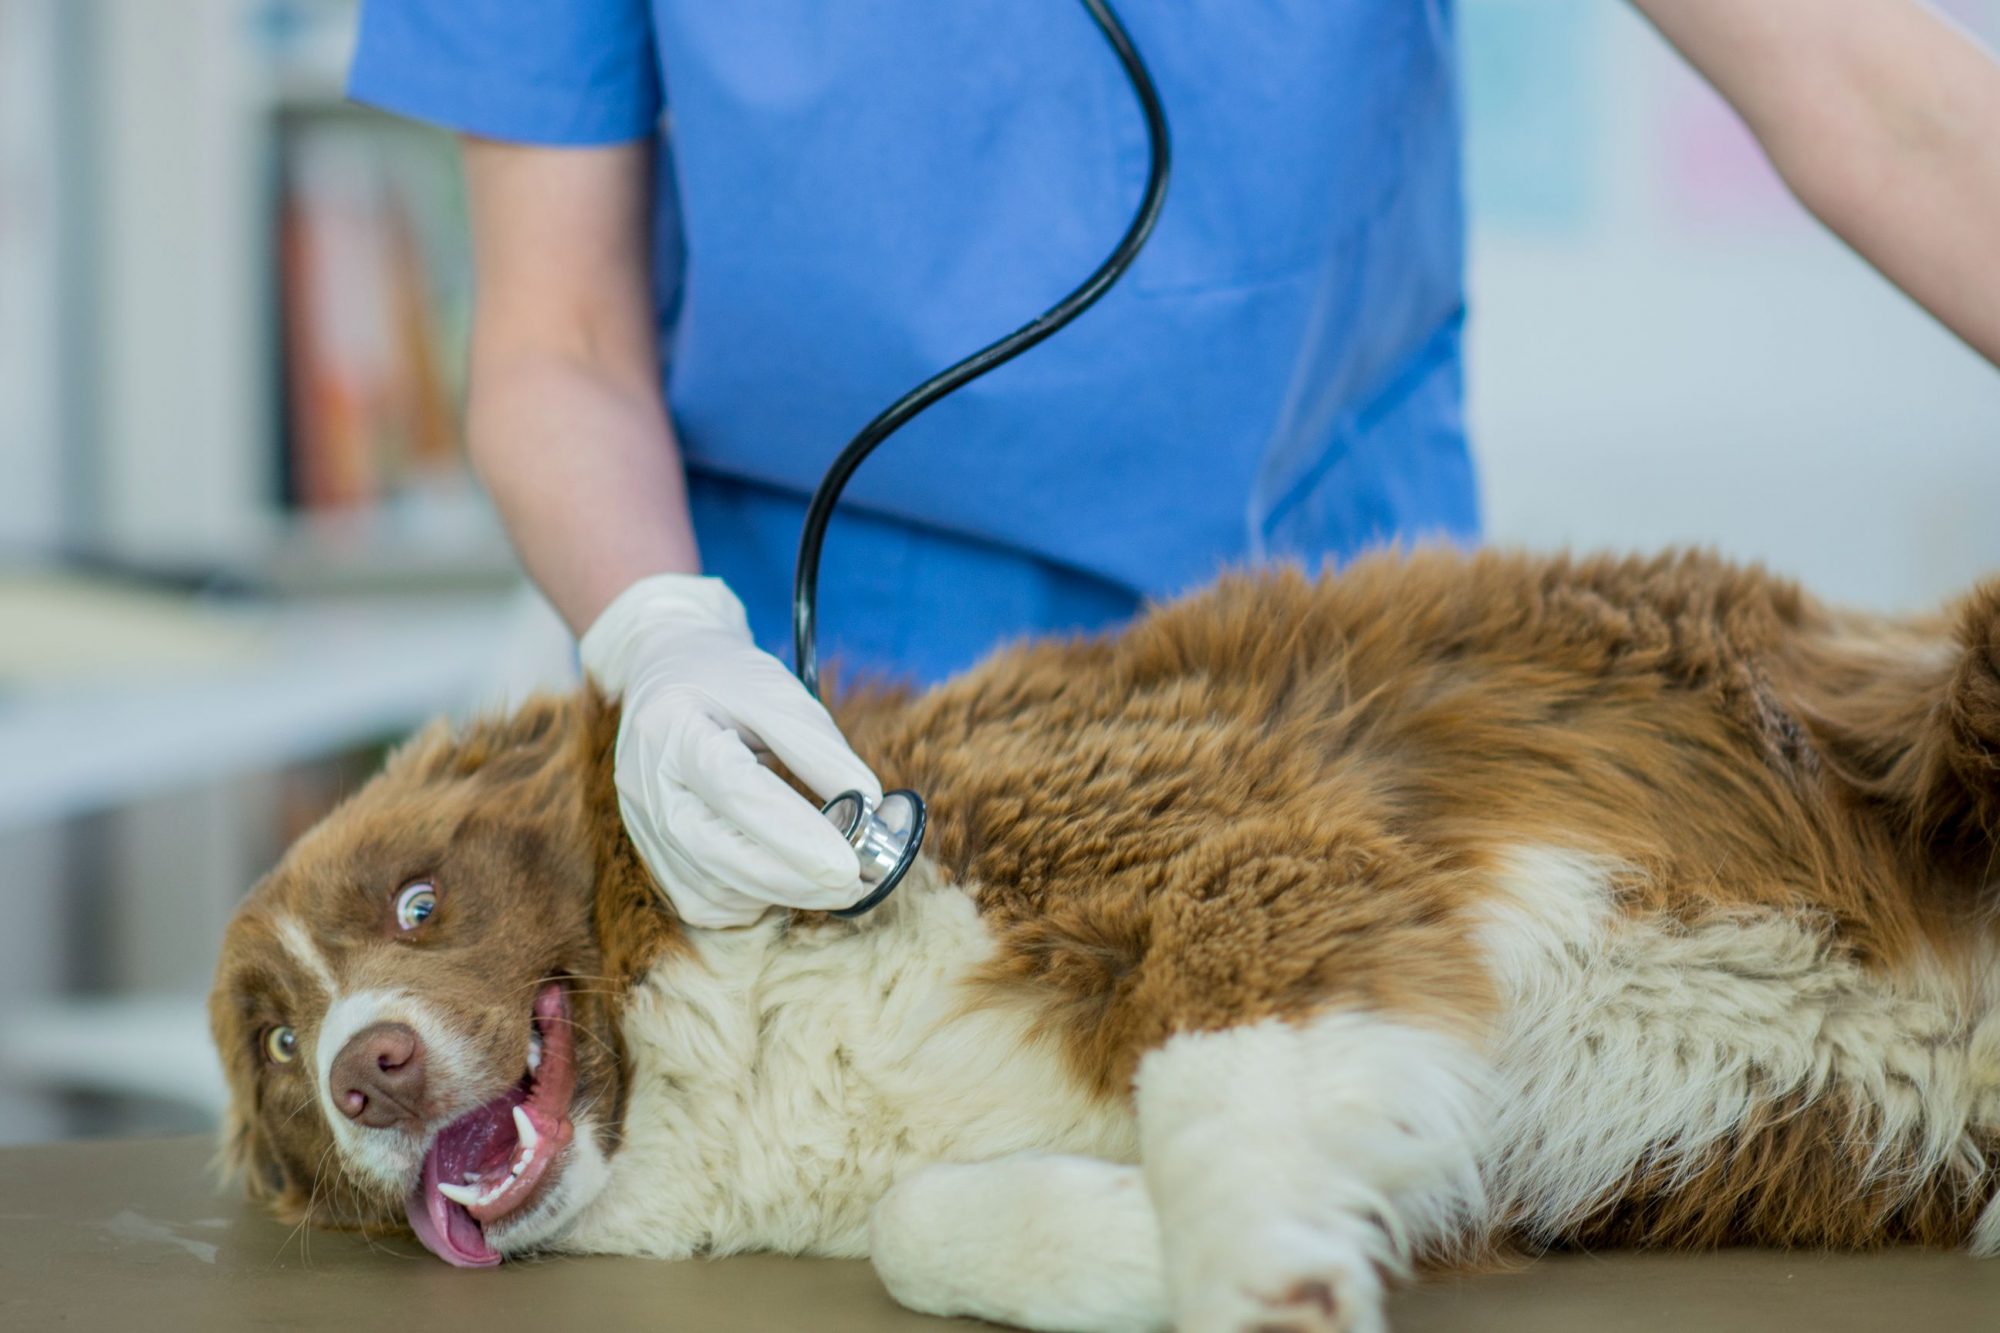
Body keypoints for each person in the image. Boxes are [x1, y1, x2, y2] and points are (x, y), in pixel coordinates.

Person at [349, 0, 2000, 928]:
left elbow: (1877, 94)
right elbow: (555, 338)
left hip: (1342, 707)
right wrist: (663, 640)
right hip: (816, 729)